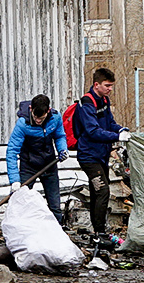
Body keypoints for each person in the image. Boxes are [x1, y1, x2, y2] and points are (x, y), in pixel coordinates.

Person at [72, 67, 133, 242]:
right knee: (102, 191)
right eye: (107, 85)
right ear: (96, 84)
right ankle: (99, 233)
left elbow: (110, 123)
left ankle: (98, 230)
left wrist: (120, 129)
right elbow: (93, 131)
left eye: (112, 86)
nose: (110, 89)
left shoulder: (104, 101)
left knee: (97, 191)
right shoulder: (87, 103)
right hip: (88, 157)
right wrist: (116, 136)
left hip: (101, 156)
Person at [7, 94, 68, 218]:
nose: (38, 120)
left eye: (42, 117)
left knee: (55, 206)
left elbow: (60, 136)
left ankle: (56, 232)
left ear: (48, 111)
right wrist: (14, 180)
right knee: (19, 202)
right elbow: (12, 151)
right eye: (35, 116)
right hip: (29, 166)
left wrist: (62, 149)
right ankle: (18, 231)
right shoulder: (23, 124)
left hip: (49, 165)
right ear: (31, 109)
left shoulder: (55, 118)